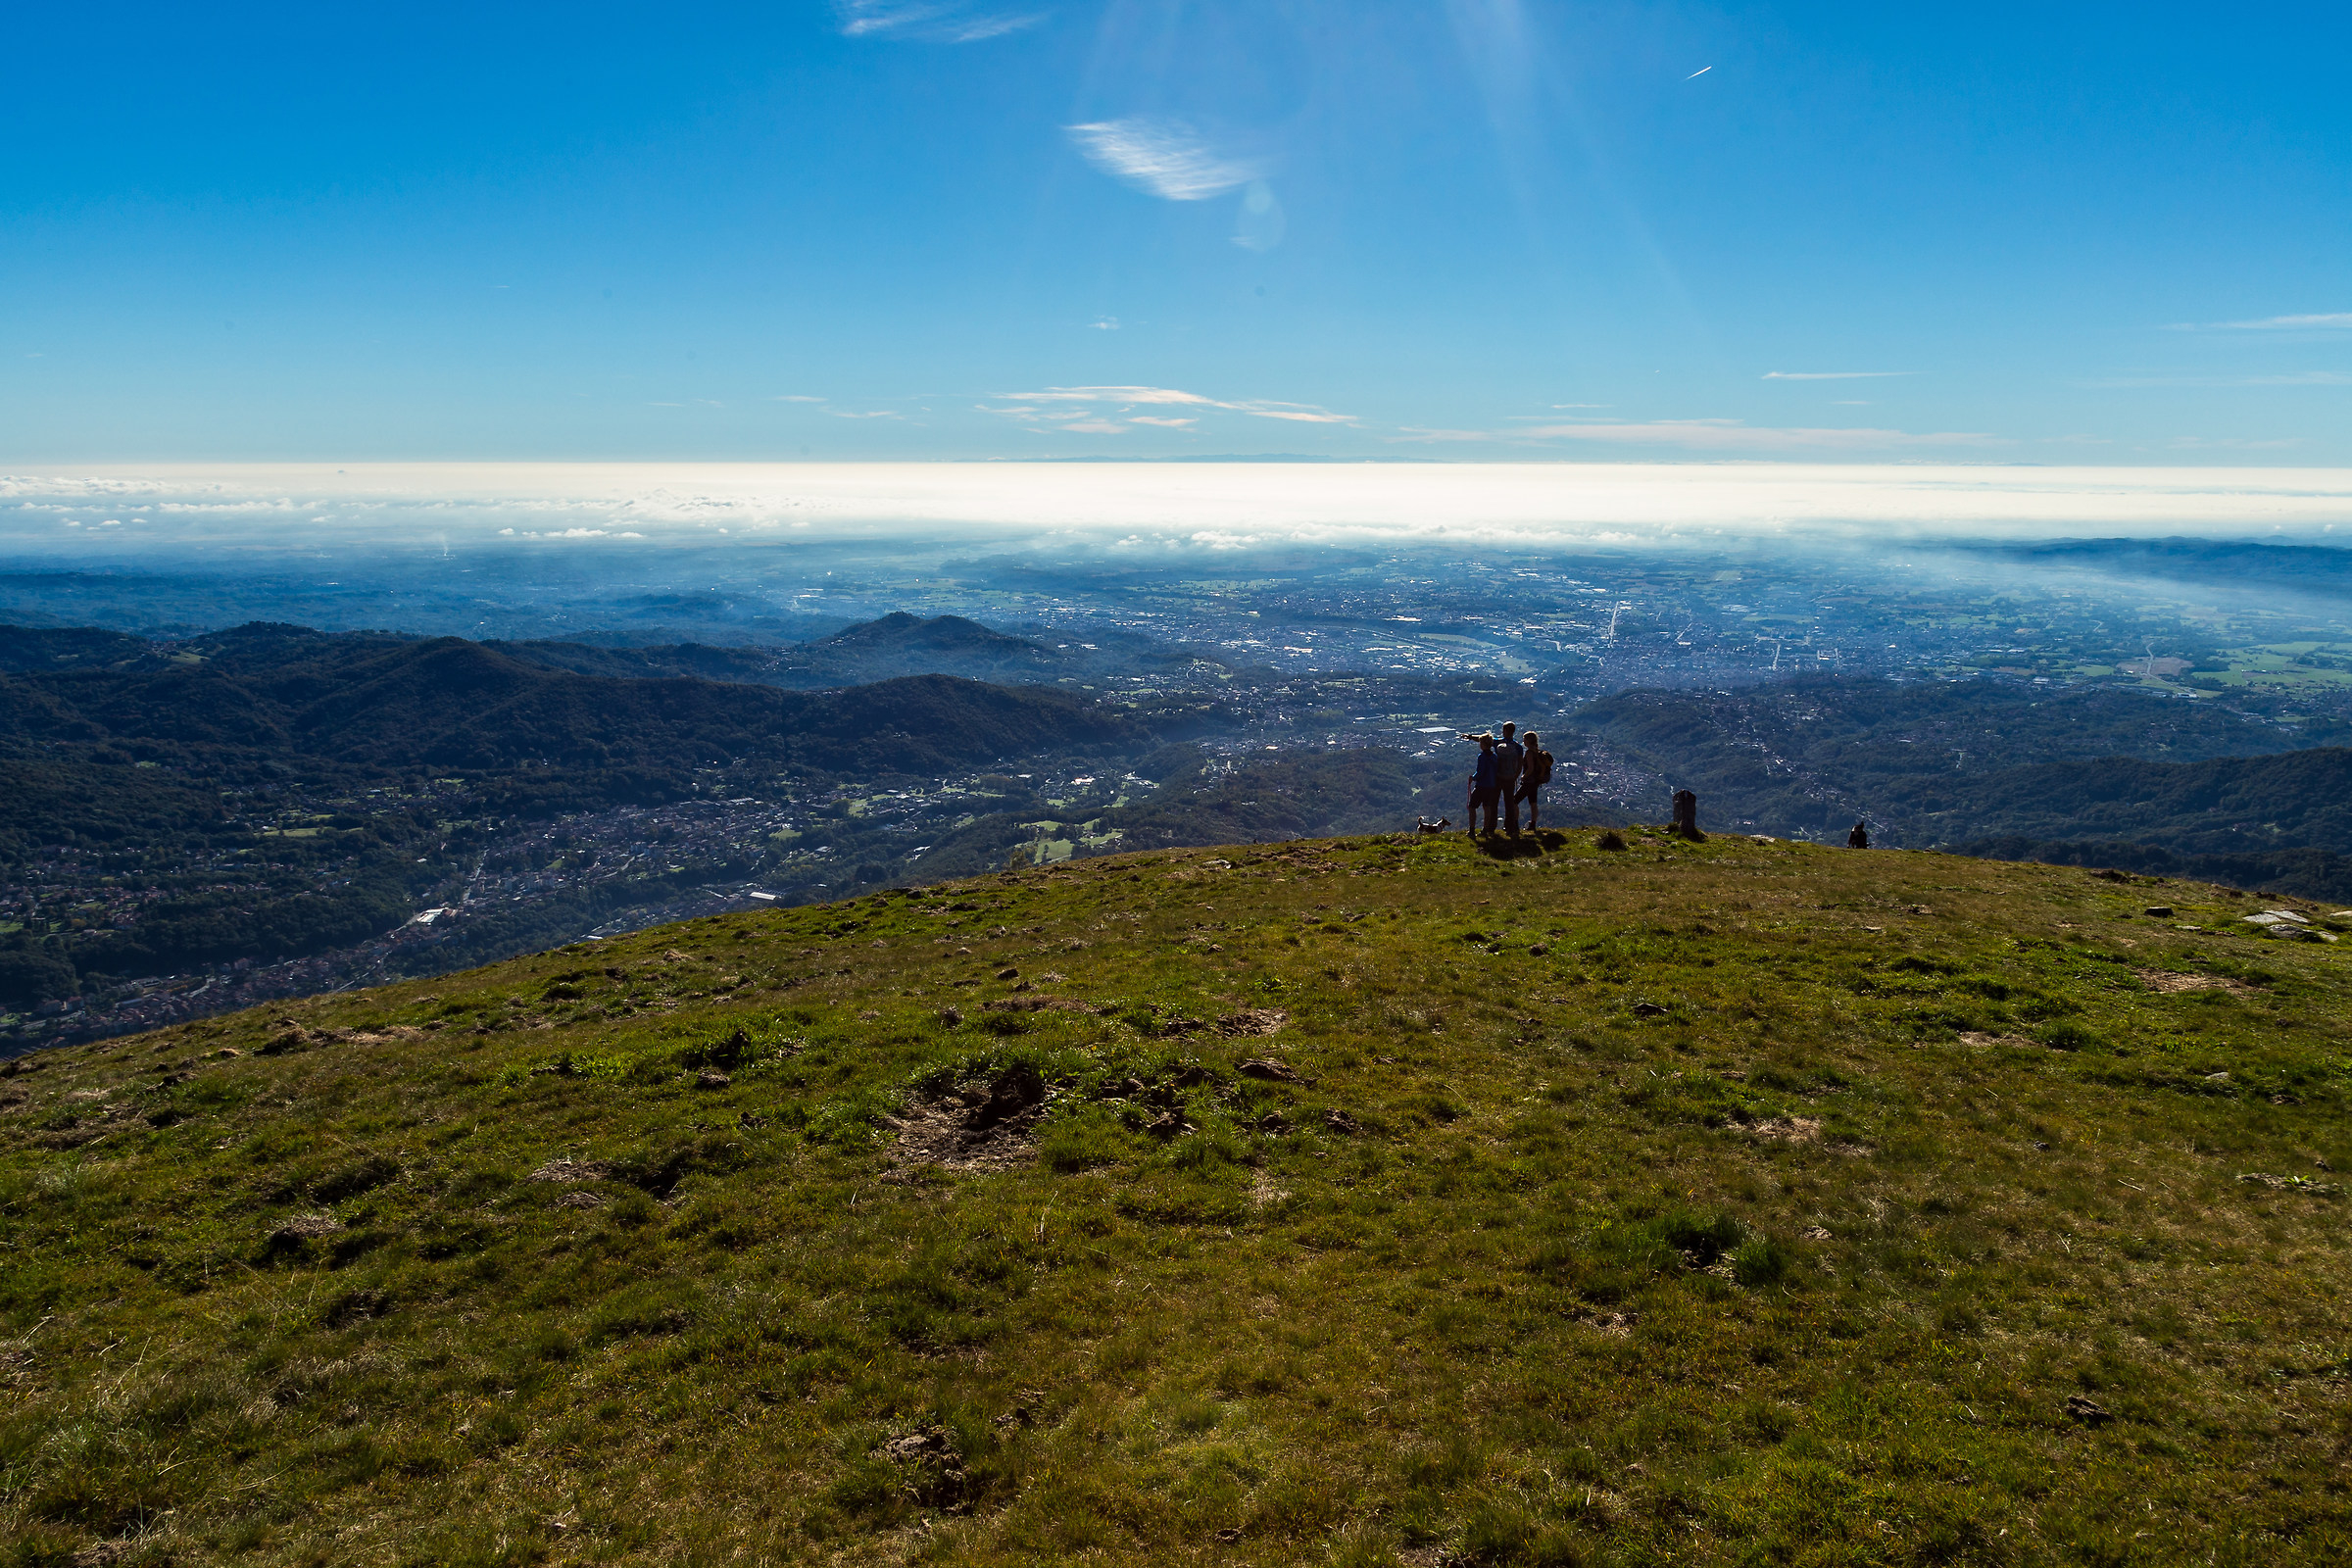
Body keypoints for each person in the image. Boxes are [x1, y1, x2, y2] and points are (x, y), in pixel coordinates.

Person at [1458, 731, 1499, 834]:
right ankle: (1485, 829)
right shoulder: (1494, 756)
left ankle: (1472, 830)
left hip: (1481, 785)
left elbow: (1480, 772)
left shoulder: (1482, 756)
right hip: (1491, 785)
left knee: (1472, 807)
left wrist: (1473, 778)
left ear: (1483, 744)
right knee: (1487, 807)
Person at [1494, 722, 1525, 835]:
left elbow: (1484, 740)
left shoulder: (1497, 742)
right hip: (1510, 778)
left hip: (1497, 777)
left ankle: (1491, 827)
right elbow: (1520, 764)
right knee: (1509, 803)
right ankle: (1510, 827)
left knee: (1494, 802)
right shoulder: (1518, 747)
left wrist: (1470, 737)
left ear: (1505, 730)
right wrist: (1515, 776)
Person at [1517, 730, 1553, 829]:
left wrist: (1523, 776)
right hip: (1536, 781)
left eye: (1524, 739)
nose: (1523, 741)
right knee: (1533, 803)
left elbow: (1531, 768)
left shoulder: (1529, 752)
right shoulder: (1537, 751)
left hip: (1529, 781)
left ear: (1528, 741)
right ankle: (1533, 824)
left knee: (1514, 801)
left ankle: (1513, 823)